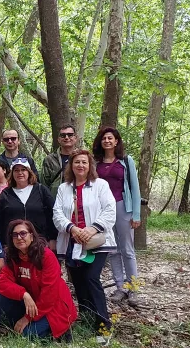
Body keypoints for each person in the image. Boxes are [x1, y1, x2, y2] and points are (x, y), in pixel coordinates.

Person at [52, 149, 117, 341]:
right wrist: (72, 228)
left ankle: (103, 325)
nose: (81, 165)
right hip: (73, 241)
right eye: (77, 162)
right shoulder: (64, 188)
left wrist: (92, 229)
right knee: (78, 280)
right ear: (71, 166)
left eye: (84, 162)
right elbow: (57, 213)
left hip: (96, 241)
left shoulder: (100, 185)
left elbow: (110, 210)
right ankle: (87, 316)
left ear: (90, 166)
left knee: (91, 278)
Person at [0, 220, 76, 342]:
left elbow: (49, 294)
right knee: (1, 298)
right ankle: (25, 326)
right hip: (32, 302)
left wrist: (27, 318)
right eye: (15, 235)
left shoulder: (46, 256)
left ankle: (60, 330)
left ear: (32, 236)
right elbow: (2, 283)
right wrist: (24, 294)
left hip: (54, 306)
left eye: (23, 233)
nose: (19, 237)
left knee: (26, 336)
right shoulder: (13, 257)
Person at [91, 126, 142, 305]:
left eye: (110, 138)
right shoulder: (96, 163)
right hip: (104, 211)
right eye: (104, 138)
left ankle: (133, 289)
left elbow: (135, 189)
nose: (107, 141)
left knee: (127, 249)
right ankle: (120, 288)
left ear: (116, 141)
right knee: (112, 249)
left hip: (122, 206)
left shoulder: (126, 161)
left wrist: (136, 214)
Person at [0, 159, 57, 248]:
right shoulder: (6, 194)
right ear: (12, 173)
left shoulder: (41, 190)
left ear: (29, 172)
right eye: (16, 170)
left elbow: (53, 214)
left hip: (39, 243)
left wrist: (53, 238)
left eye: (23, 169)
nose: (20, 173)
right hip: (13, 244)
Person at [40, 125, 78, 194]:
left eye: (70, 135)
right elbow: (44, 185)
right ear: (58, 139)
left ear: (75, 138)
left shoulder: (83, 158)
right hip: (55, 200)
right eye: (63, 135)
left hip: (79, 200)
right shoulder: (49, 160)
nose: (66, 138)